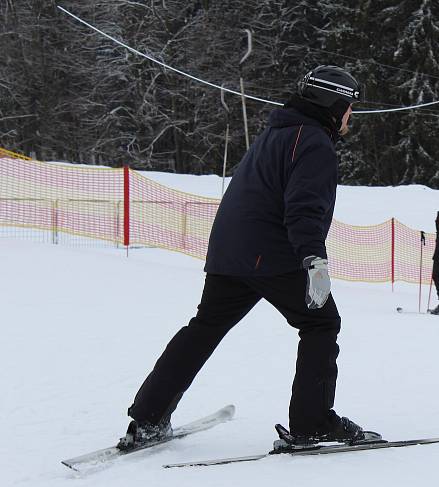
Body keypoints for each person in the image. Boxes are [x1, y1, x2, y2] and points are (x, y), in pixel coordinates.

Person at [118, 65, 379, 450]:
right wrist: (314, 261)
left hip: (231, 251)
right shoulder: (313, 142)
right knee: (321, 322)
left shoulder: (279, 132)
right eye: (349, 107)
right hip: (269, 253)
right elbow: (303, 208)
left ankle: (148, 417)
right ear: (333, 102)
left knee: (204, 327)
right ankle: (313, 423)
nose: (350, 116)